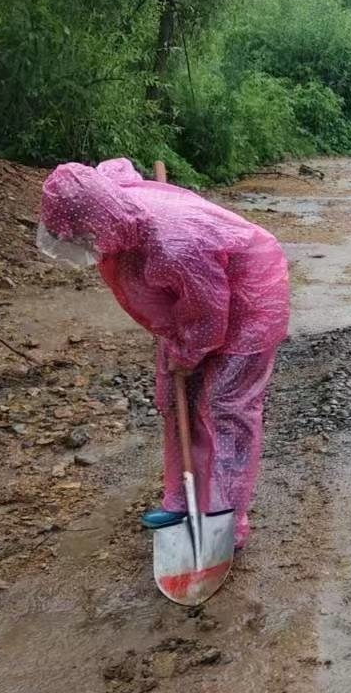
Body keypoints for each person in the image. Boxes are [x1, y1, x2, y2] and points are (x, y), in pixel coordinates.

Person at [37, 159, 290, 549]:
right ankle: (181, 499)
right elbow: (117, 169)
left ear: (99, 221)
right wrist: (180, 347)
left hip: (249, 297)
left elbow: (207, 314)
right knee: (179, 402)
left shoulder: (174, 244)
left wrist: (187, 352)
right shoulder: (116, 209)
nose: (85, 248)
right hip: (189, 306)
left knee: (225, 408)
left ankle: (221, 518)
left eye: (84, 238)